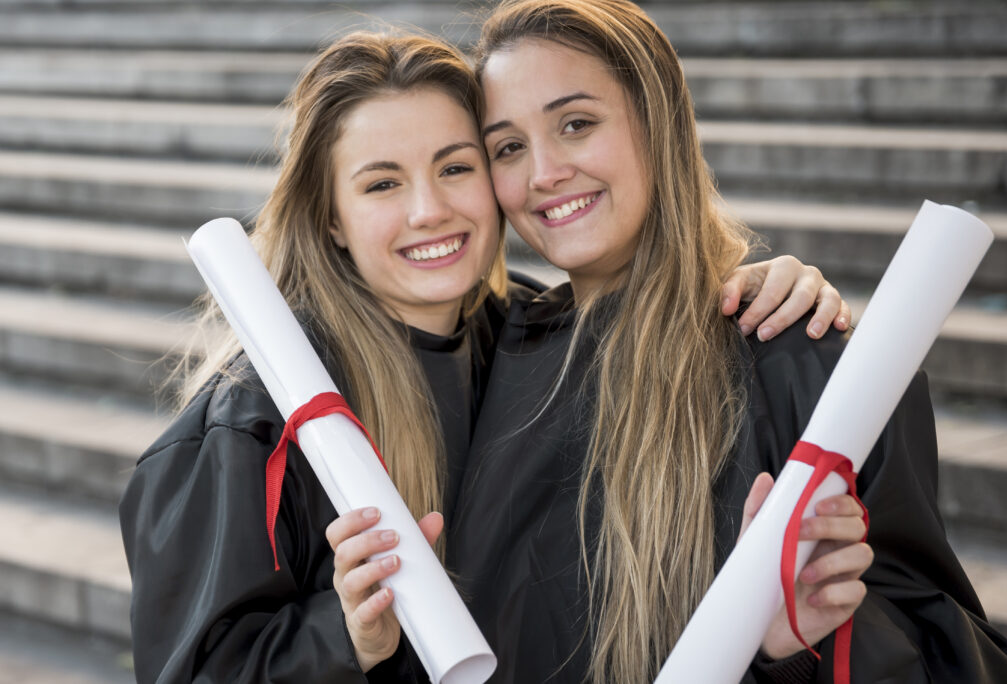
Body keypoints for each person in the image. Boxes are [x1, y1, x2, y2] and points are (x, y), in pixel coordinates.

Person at [118, 29, 849, 683]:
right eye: (381, 183)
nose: (429, 210)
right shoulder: (250, 429)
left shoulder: (535, 344)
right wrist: (345, 637)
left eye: (458, 166)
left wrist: (759, 279)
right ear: (330, 220)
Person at [430, 1, 1007, 683]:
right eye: (508, 147)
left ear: (661, 125)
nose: (543, 173)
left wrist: (799, 644)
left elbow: (949, 652)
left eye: (577, 124)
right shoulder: (491, 352)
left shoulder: (809, 364)